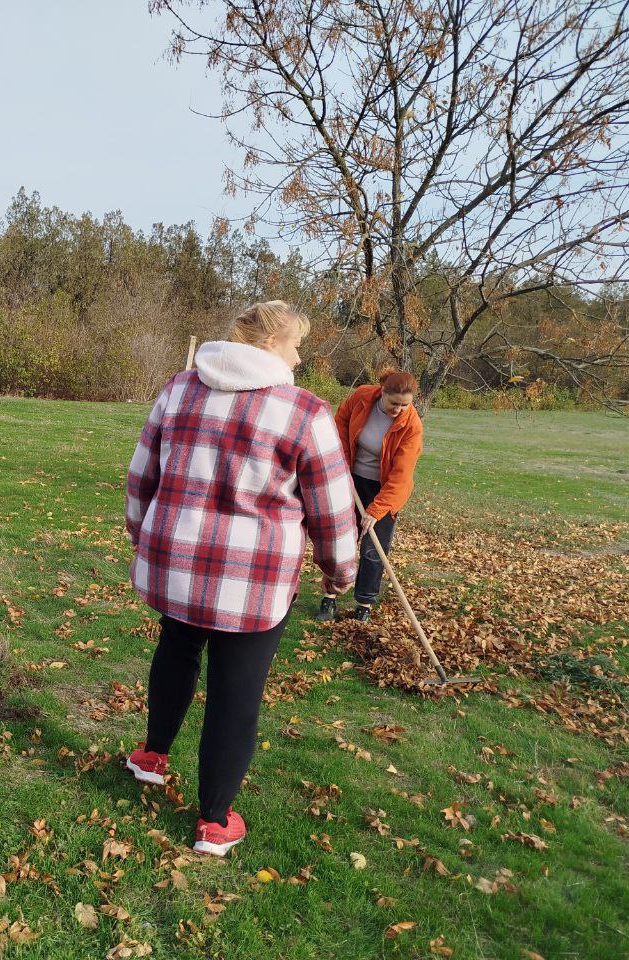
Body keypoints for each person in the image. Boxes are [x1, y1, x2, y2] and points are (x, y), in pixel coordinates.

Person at [123, 301, 358, 857]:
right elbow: (331, 509)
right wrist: (340, 571)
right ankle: (213, 821)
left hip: (176, 567)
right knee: (235, 692)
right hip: (251, 583)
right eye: (296, 343)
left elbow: (142, 475)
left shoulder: (179, 389)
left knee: (175, 653)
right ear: (272, 341)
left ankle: (152, 756)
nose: (301, 355)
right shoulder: (304, 412)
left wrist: (142, 535)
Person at [317, 370, 424, 623]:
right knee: (341, 540)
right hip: (350, 480)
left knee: (374, 548)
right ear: (382, 392)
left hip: (384, 489)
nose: (399, 409)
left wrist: (377, 510)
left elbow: (401, 476)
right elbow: (341, 423)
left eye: (405, 405)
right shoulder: (362, 397)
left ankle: (364, 602)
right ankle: (329, 597)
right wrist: (340, 461)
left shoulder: (411, 426)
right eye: (393, 403)